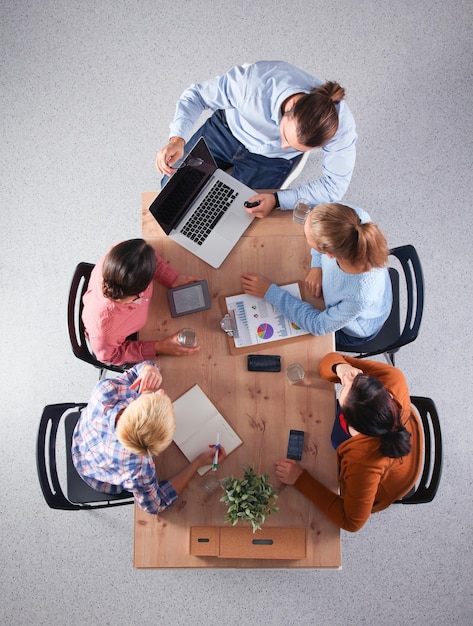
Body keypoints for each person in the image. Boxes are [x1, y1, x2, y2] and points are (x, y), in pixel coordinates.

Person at [155, 60, 357, 217]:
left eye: (295, 147)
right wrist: (177, 139)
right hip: (226, 131)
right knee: (170, 191)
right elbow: (196, 96)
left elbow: (334, 185)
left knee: (234, 217)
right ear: (292, 104)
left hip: (271, 161)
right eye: (285, 136)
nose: (282, 145)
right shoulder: (252, 84)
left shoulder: (339, 126)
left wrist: (278, 200)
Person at [274, 353, 421, 532]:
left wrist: (300, 479)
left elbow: (352, 522)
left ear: (351, 426)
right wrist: (342, 368)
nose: (345, 381)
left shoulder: (364, 462)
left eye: (343, 388)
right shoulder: (392, 379)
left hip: (386, 484)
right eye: (358, 379)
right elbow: (331, 358)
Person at [72, 361, 226, 514]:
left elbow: (135, 372)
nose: (161, 392)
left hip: (82, 440)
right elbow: (155, 505)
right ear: (148, 453)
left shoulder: (105, 392)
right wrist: (197, 463)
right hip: (94, 475)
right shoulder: (138, 469)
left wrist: (147, 369)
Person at [241, 203, 392, 346]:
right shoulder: (351, 217)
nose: (305, 238)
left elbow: (318, 326)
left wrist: (270, 292)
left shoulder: (359, 295)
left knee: (300, 344)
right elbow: (322, 234)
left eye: (307, 237)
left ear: (329, 253)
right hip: (340, 304)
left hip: (355, 329)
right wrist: (317, 266)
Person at [82, 238, 201, 366]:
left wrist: (173, 278)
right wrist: (158, 347)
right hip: (113, 342)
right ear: (140, 292)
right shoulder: (104, 333)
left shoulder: (121, 253)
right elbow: (111, 356)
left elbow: (145, 253)